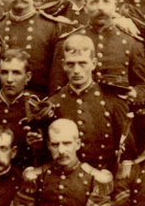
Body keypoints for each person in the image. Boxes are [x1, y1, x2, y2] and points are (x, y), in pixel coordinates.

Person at [50, 0, 145, 107]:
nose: (100, 7)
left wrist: (135, 93)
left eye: (106, 1)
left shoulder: (131, 43)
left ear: (114, 6)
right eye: (94, 2)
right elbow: (56, 88)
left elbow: (143, 86)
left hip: (118, 112)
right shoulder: (67, 41)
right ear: (85, 7)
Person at [45, 34, 132, 173]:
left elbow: (127, 149)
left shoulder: (113, 101)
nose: (76, 70)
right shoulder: (54, 103)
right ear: (63, 65)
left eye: (82, 63)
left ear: (93, 63)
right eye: (71, 64)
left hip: (106, 178)